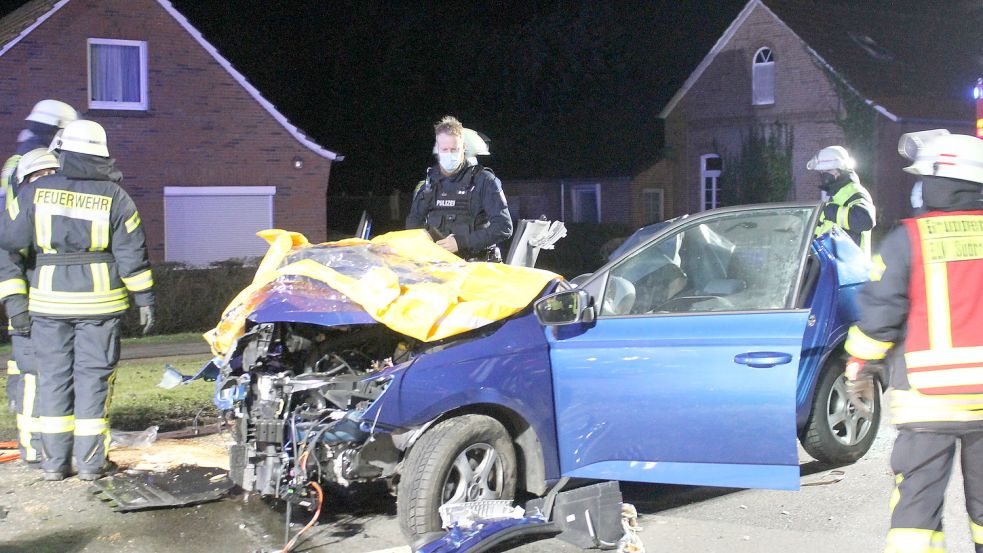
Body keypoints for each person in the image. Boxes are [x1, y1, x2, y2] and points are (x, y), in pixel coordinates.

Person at [843, 131, 983, 553]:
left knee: (916, 515)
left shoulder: (908, 238)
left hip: (927, 403)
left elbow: (880, 316)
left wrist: (858, 368)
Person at [0, 120, 155, 481]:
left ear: (62, 151)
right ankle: (90, 463)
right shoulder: (116, 197)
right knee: (93, 380)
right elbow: (132, 253)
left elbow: (8, 247)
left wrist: (16, 304)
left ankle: (54, 465)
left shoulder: (34, 194)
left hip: (48, 307)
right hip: (101, 307)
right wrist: (145, 298)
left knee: (53, 380)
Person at [1, 101, 75, 429]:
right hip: (29, 264)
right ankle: (37, 435)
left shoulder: (20, 158)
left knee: (25, 357)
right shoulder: (38, 163)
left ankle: (25, 414)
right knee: (35, 359)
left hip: (17, 258)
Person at [0, 149, 60, 464]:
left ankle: (58, 446)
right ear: (25, 181)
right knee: (32, 380)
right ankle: (34, 448)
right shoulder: (18, 213)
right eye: (40, 176)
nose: (47, 181)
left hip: (59, 314)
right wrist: (17, 307)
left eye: (53, 174)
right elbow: (8, 265)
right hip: (31, 315)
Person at [406, 116, 512, 261]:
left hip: (475, 266)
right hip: (438, 265)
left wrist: (462, 242)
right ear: (437, 149)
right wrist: (424, 240)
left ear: (464, 148)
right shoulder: (430, 182)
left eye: (454, 149)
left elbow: (503, 227)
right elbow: (413, 221)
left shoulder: (485, 181)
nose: (449, 154)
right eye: (444, 149)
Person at [807, 145, 875, 257]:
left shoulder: (855, 191)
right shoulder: (832, 194)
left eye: (828, 170)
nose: (824, 175)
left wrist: (827, 210)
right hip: (832, 266)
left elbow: (865, 220)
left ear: (841, 170)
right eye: (821, 171)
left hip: (852, 267)